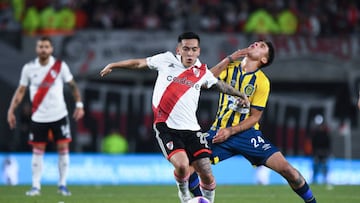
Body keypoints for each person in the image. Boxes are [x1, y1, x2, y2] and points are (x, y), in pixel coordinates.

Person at [99, 31, 249, 203]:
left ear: (198, 51)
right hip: (166, 127)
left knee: (206, 171)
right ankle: (184, 194)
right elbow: (139, 63)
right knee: (183, 165)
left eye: (193, 49)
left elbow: (219, 85)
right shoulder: (166, 60)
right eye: (186, 49)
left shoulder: (201, 71)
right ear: (179, 49)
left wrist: (239, 94)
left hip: (192, 129)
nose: (190, 53)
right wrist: (114, 64)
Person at [188, 41, 317, 203]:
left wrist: (231, 131)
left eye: (262, 46)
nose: (256, 44)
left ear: (263, 60)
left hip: (247, 135)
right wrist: (228, 59)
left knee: (288, 170)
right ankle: (202, 200)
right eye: (256, 42)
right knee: (187, 164)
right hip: (219, 131)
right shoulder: (230, 68)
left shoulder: (262, 82)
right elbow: (205, 82)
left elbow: (255, 117)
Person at [7, 36, 85, 196]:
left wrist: (79, 104)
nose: (43, 49)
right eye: (41, 46)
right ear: (37, 49)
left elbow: (72, 85)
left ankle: (62, 185)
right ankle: (36, 186)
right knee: (38, 151)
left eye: (46, 47)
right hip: (39, 117)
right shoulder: (29, 68)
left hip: (59, 115)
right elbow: (21, 91)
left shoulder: (60, 66)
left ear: (51, 49)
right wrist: (11, 109)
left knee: (63, 149)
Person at [310, 114, 331, 186]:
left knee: (324, 167)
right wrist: (314, 153)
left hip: (324, 153)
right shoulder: (315, 134)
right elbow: (313, 144)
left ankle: (325, 180)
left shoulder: (326, 134)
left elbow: (328, 144)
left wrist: (327, 153)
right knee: (315, 167)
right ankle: (314, 180)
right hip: (317, 153)